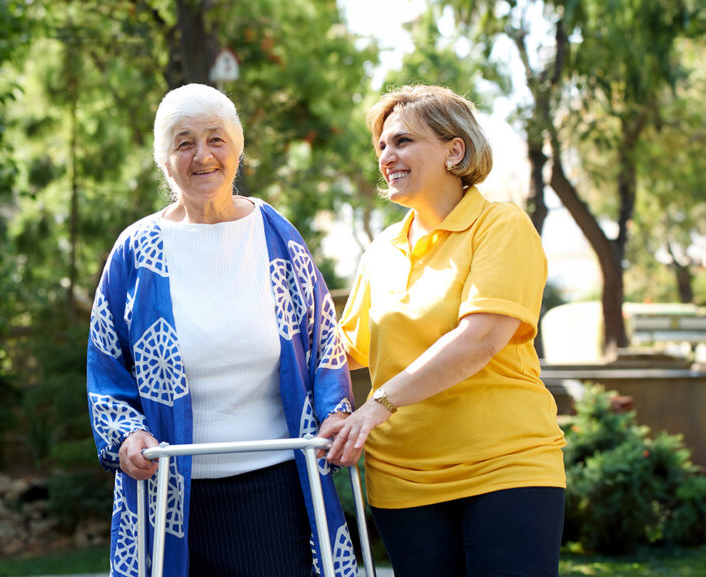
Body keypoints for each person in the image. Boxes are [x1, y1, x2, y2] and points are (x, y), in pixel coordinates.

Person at [86, 83, 357, 577]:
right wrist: (127, 434)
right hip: (170, 493)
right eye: (184, 143)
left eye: (216, 139)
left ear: (237, 150)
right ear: (164, 160)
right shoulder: (135, 251)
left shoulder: (276, 235)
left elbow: (324, 341)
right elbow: (106, 370)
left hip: (276, 487)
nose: (202, 155)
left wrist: (335, 413)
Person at [321, 84, 567, 577]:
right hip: (402, 481)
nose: (386, 156)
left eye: (403, 141)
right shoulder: (382, 251)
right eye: (382, 146)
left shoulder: (501, 226)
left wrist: (378, 404)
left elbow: (480, 340)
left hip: (505, 468)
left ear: (454, 151)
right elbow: (344, 349)